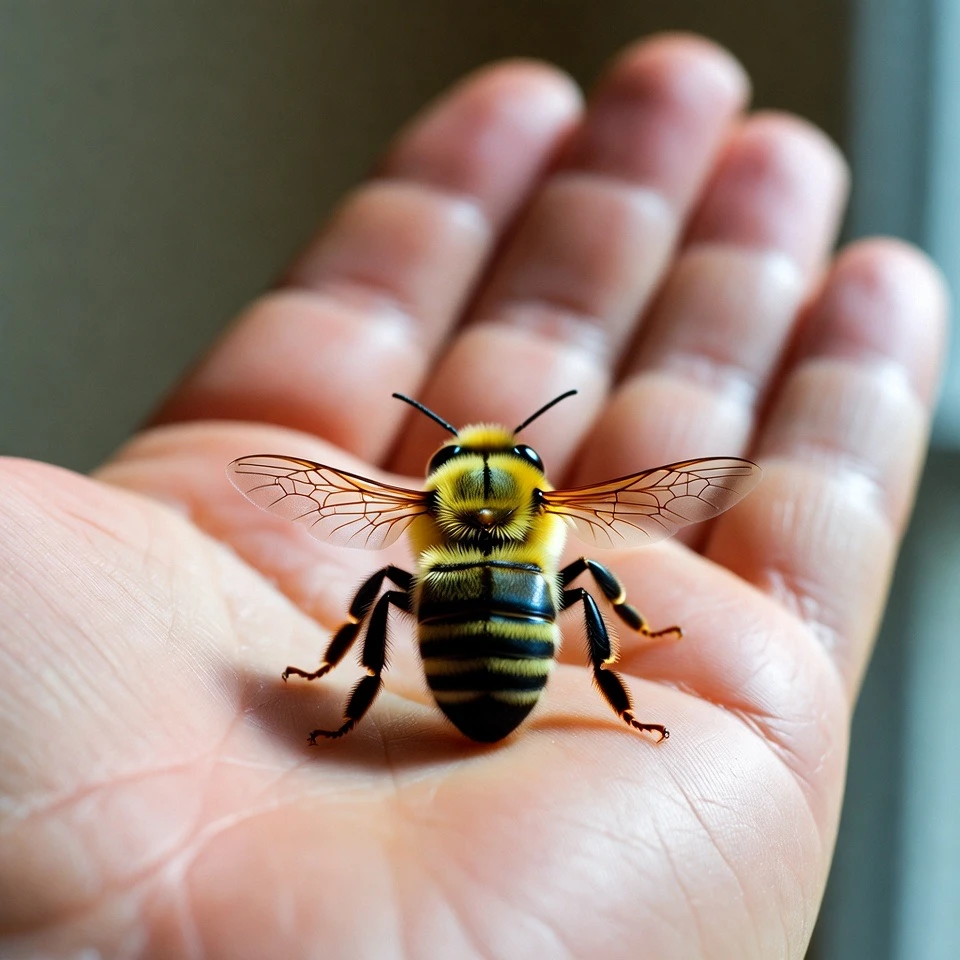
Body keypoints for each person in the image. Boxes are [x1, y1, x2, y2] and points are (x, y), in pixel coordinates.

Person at [0, 33, 947, 959]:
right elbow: (623, 545)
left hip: (451, 655)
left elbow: (336, 526)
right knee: (578, 584)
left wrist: (326, 681)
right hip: (521, 656)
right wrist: (641, 635)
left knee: (381, 593)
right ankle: (618, 700)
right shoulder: (560, 518)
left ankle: (351, 689)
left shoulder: (415, 511)